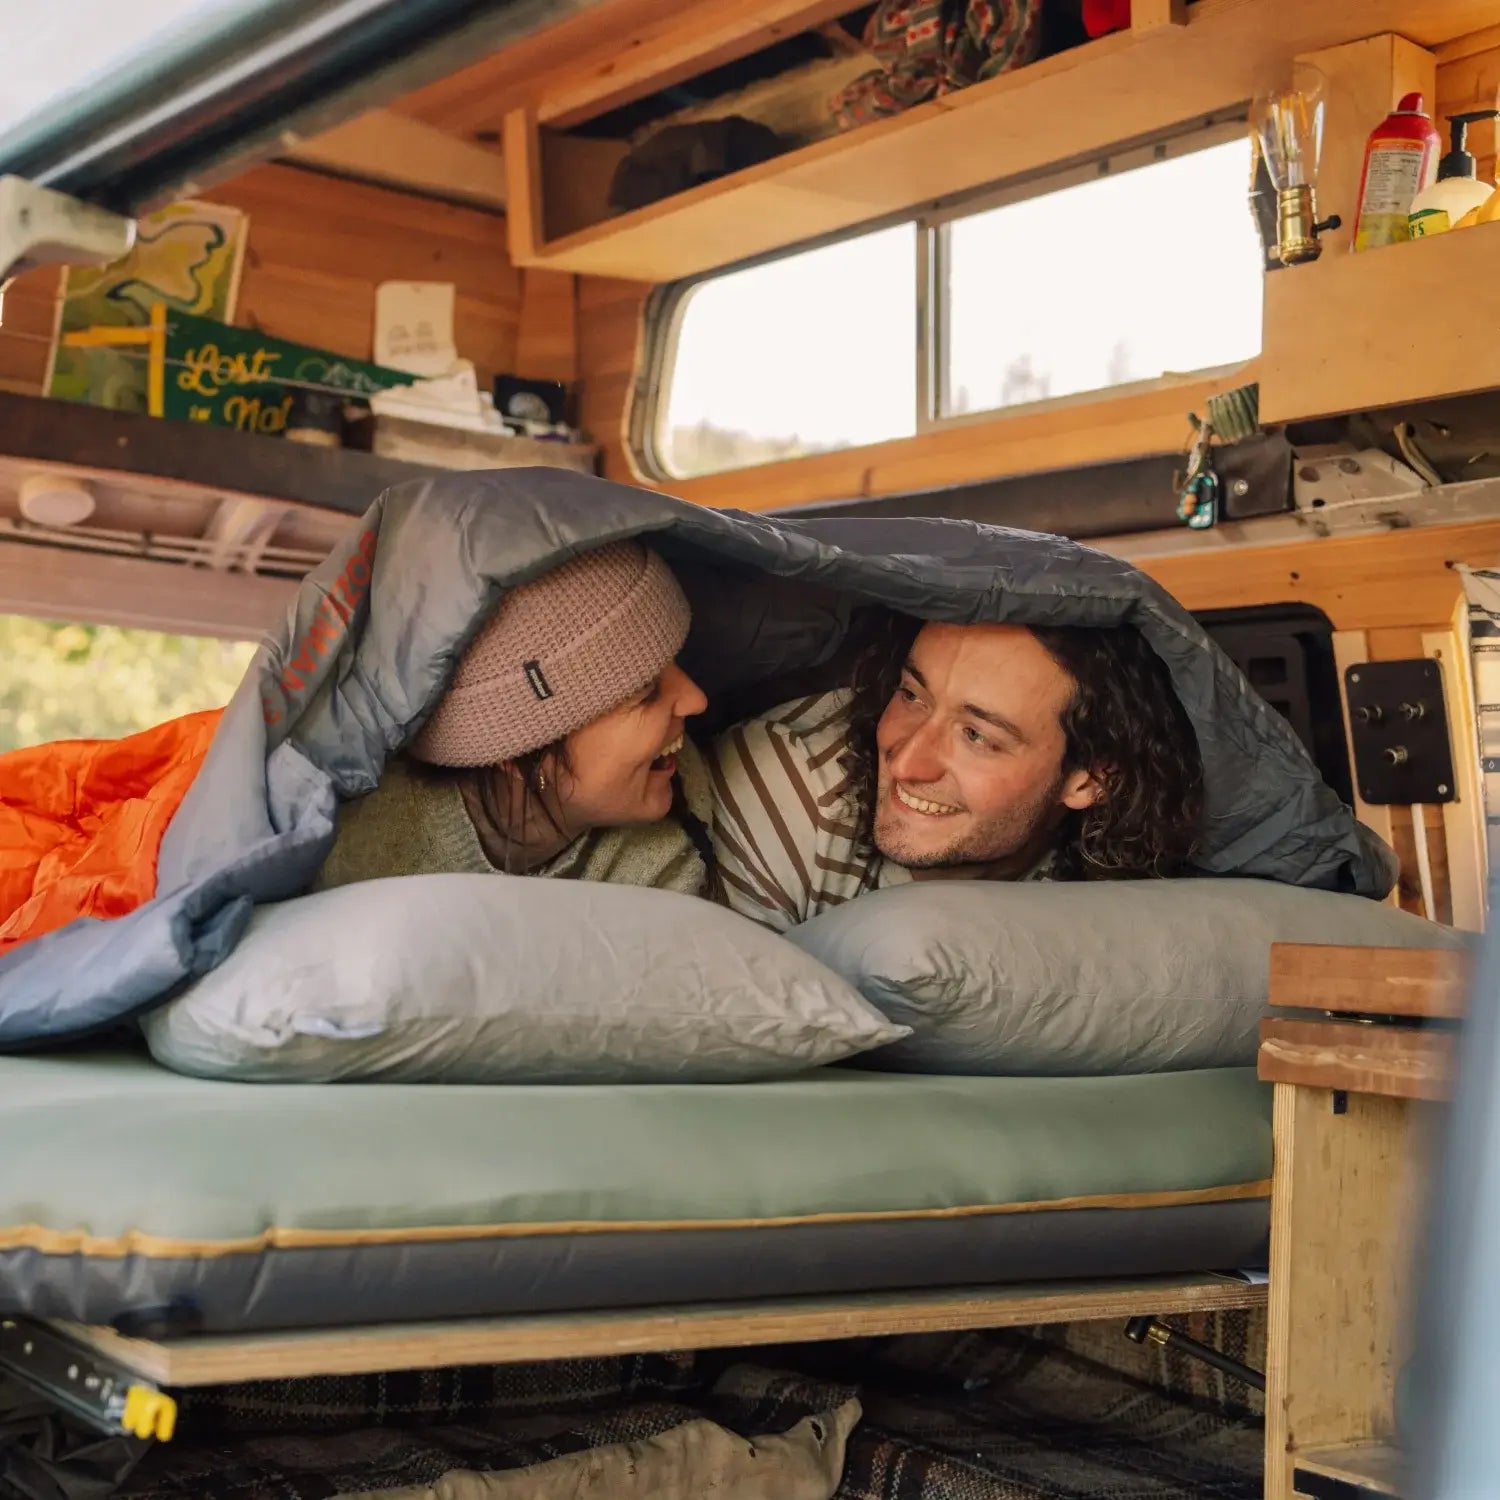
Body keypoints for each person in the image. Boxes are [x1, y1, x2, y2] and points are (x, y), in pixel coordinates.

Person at [707, 609, 1204, 933]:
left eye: (976, 736)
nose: (906, 762)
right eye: (912, 695)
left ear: (1092, 779)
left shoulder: (1115, 893)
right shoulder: (790, 776)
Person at [313, 541, 714, 896]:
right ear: (521, 754)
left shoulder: (672, 826)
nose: (696, 700)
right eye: (646, 693)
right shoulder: (361, 853)